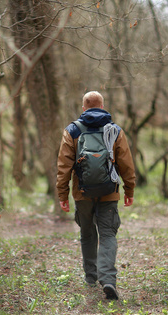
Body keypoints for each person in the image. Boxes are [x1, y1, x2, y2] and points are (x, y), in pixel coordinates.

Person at [56, 91, 136, 300]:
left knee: (87, 233)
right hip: (109, 192)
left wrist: (62, 195)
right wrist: (130, 190)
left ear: (84, 108)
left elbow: (64, 166)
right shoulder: (115, 131)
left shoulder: (72, 131)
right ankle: (108, 279)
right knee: (108, 234)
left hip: (82, 193)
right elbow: (126, 163)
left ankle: (91, 278)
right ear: (102, 106)